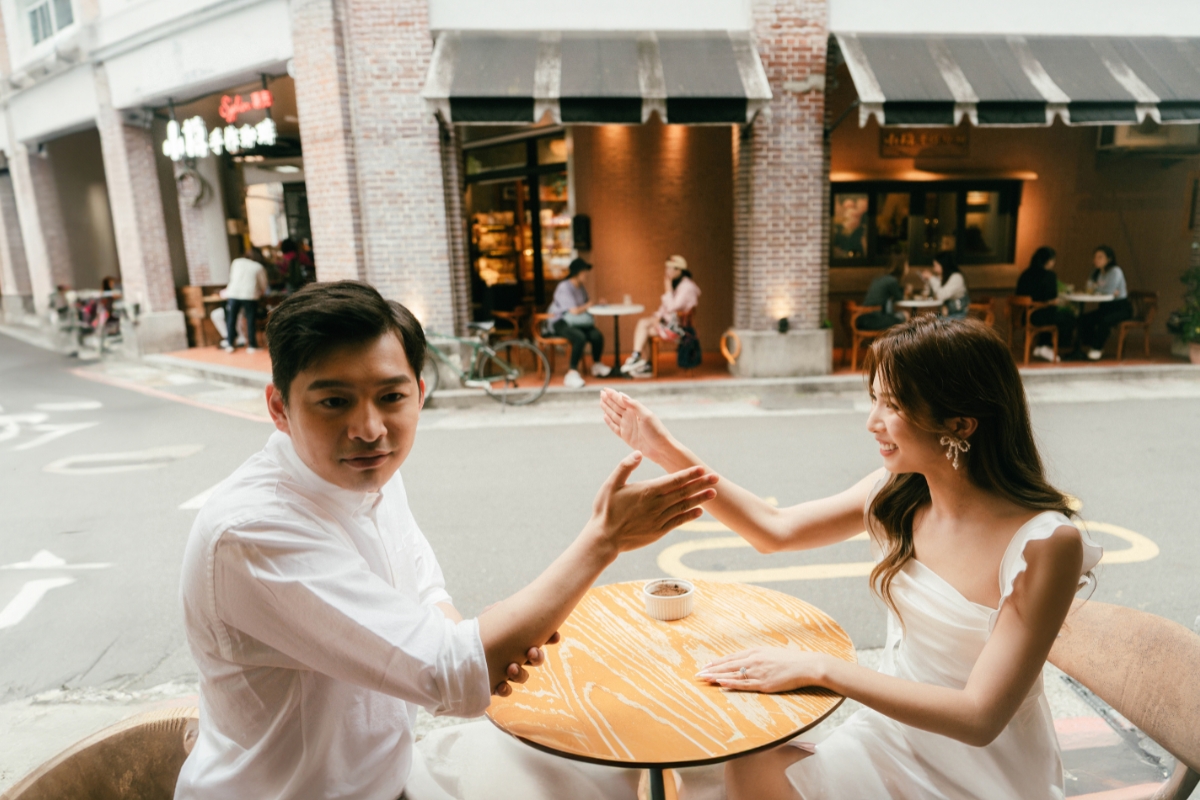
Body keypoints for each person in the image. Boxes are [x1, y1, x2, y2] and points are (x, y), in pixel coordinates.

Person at [176, 281, 717, 799]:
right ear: (278, 408)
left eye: (390, 396)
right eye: (333, 402)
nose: (369, 428)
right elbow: (450, 674)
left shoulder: (367, 472)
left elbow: (423, 585)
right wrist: (604, 539)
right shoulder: (251, 532)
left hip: (389, 778)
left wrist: (489, 646)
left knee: (591, 771)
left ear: (420, 393)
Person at [600, 315, 1102, 800]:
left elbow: (979, 717)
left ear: (961, 424)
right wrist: (663, 448)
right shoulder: (896, 494)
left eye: (892, 405)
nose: (871, 423)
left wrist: (820, 668)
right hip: (891, 741)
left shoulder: (1044, 544)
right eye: (874, 400)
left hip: (986, 777)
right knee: (736, 755)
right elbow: (775, 530)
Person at [622, 255, 701, 377]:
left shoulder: (687, 287)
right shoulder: (678, 284)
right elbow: (664, 309)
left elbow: (671, 307)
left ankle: (640, 359)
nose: (667, 271)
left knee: (644, 327)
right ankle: (641, 360)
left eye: (670, 268)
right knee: (643, 324)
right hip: (669, 323)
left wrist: (667, 286)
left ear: (679, 270)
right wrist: (657, 317)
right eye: (666, 268)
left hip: (679, 329)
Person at [547, 258, 610, 388]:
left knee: (596, 335)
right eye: (584, 272)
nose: (586, 275)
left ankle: (596, 364)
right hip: (560, 322)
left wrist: (598, 304)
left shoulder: (580, 287)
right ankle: (571, 373)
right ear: (577, 272)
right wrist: (589, 305)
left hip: (576, 322)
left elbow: (586, 305)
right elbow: (574, 311)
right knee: (579, 337)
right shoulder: (564, 287)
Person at [1016, 246, 1075, 362]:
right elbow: (1051, 299)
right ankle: (1046, 346)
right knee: (1069, 317)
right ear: (1049, 261)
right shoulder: (1049, 275)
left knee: (1054, 314)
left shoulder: (1025, 274)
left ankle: (1041, 346)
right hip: (1038, 316)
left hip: (1022, 315)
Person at [1075, 245, 1132, 361]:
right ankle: (1091, 344)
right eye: (1095, 257)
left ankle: (1097, 348)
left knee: (1105, 321)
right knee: (1084, 319)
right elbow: (1088, 288)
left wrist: (1098, 289)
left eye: (1100, 257)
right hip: (1105, 307)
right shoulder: (1095, 272)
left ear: (1109, 259)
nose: (1096, 260)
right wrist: (1100, 290)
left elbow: (1109, 290)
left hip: (1121, 308)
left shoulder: (1116, 271)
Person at [222, 248, 268, 352]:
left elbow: (232, 277)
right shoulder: (258, 267)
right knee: (250, 320)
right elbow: (263, 284)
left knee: (231, 319)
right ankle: (252, 346)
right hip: (249, 295)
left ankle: (230, 344)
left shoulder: (236, 262)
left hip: (233, 293)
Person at [856, 252, 908, 331]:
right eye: (907, 265)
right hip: (873, 320)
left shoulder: (880, 278)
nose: (908, 268)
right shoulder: (892, 281)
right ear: (901, 267)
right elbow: (900, 298)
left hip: (864, 318)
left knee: (899, 316)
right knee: (905, 315)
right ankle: (905, 343)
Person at [922, 251, 969, 319]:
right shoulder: (943, 277)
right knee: (928, 320)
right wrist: (929, 281)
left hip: (958, 314)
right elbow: (929, 293)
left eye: (936, 266)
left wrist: (931, 278)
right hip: (946, 314)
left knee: (933, 323)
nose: (934, 269)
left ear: (943, 265)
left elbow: (940, 295)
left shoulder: (956, 277)